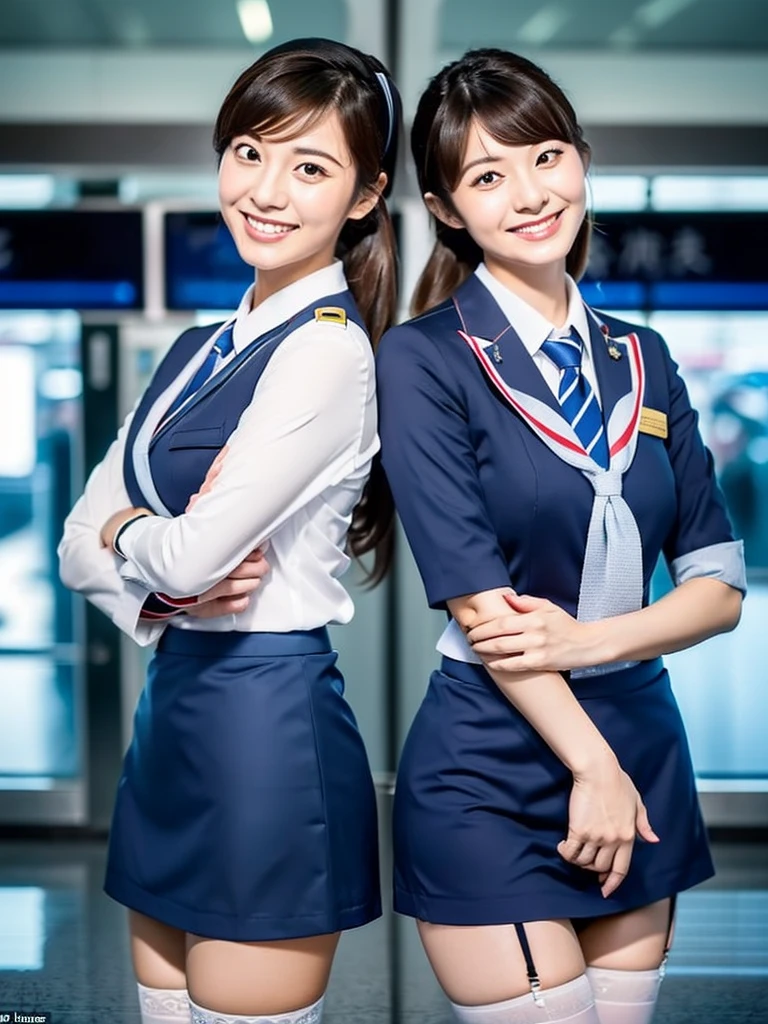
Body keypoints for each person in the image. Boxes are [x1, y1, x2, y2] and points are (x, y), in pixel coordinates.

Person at [376, 48, 745, 1024]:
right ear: (448, 207)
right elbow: (478, 597)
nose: (530, 192)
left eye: (545, 156)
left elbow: (718, 583)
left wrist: (595, 644)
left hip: (641, 737)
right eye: (488, 175)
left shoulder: (644, 355)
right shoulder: (423, 360)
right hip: (492, 752)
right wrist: (592, 765)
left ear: (580, 158)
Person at [58, 37, 401, 1024]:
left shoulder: (329, 357)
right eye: (250, 150)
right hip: (170, 717)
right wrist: (140, 545)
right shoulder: (198, 347)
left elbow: (189, 553)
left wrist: (134, 536)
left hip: (268, 730)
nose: (267, 188)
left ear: (367, 195)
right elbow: (75, 540)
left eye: (311, 166)